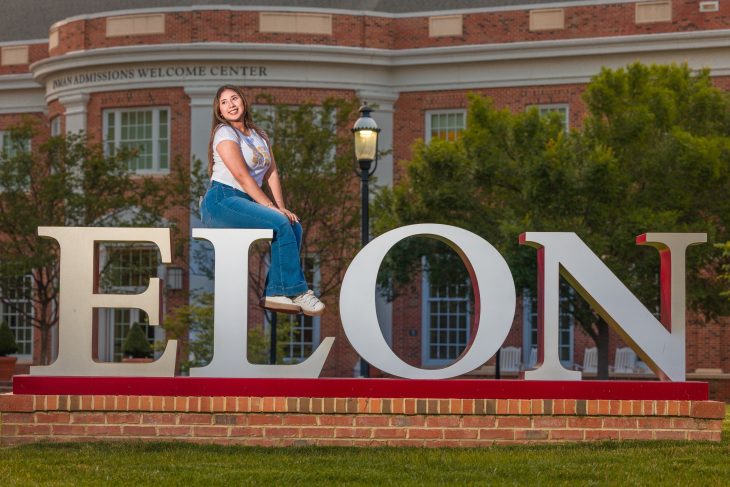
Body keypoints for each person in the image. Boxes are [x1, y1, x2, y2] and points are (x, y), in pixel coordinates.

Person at [200, 85, 324, 316]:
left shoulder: (259, 135)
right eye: (224, 102)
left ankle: (276, 291)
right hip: (221, 200)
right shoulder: (224, 133)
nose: (231, 105)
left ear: (243, 101)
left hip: (246, 200)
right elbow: (242, 177)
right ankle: (296, 290)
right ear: (219, 110)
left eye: (234, 98)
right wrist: (271, 208)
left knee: (293, 225)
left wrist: (281, 207)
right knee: (280, 222)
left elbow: (272, 173)